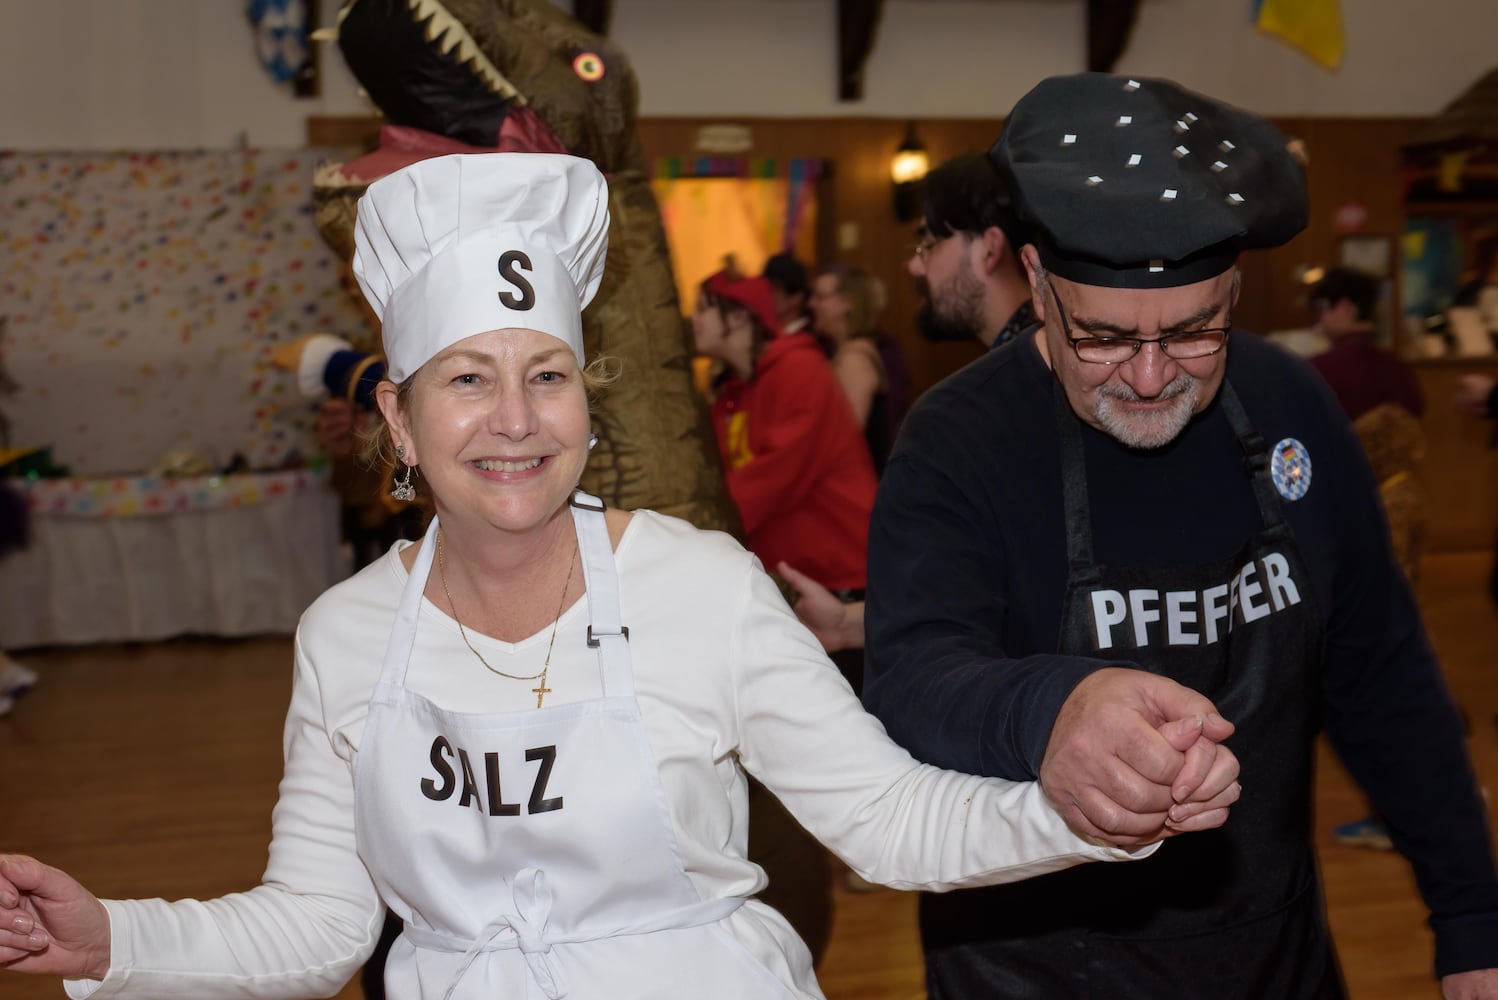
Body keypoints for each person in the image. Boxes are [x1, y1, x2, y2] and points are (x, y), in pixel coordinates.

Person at [0, 151, 1241, 999]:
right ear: (397, 412)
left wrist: (1080, 814)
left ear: (585, 400)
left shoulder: (700, 585)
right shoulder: (345, 633)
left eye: (546, 373)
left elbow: (891, 818)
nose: (514, 418)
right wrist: (112, 936)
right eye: (467, 378)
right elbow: (322, 923)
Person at [863, 72, 1498, 999]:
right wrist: (1052, 710)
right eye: (1106, 339)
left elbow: (1380, 672)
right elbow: (912, 679)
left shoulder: (1290, 405)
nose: (1154, 377)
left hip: (1270, 952)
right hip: (1030, 964)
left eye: (1198, 329)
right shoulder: (958, 439)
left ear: (1236, 288)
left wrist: (1472, 914)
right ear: (1037, 282)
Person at [693, 263, 878, 694]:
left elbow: (764, 485)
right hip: (793, 588)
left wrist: (684, 527)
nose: (694, 319)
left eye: (704, 308)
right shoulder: (734, 392)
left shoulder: (799, 372)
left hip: (841, 587)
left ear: (738, 317)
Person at [908, 151, 1036, 351]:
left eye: (930, 244)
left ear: (990, 250)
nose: (914, 266)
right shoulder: (1030, 354)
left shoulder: (1033, 369)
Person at [807, 265, 911, 474]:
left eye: (820, 297)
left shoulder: (854, 359)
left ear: (847, 304)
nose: (811, 304)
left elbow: (844, 438)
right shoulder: (849, 353)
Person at [1307, 267, 1424, 421]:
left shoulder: (1320, 368)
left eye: (1322, 309)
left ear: (1345, 308)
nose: (1319, 320)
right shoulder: (1395, 365)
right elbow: (1416, 410)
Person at [762, 252, 814, 336]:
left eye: (775, 289)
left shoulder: (809, 338)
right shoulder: (767, 333)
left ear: (796, 298)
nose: (766, 294)